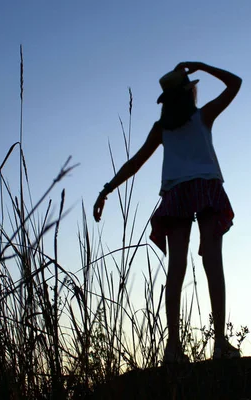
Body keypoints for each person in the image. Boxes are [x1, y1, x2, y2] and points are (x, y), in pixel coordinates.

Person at [93, 61, 242, 364]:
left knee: (176, 270)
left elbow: (135, 163)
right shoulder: (203, 117)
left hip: (176, 193)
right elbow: (235, 83)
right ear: (189, 94)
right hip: (206, 187)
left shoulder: (162, 129)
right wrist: (201, 65)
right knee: (213, 263)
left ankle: (173, 348)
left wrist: (107, 189)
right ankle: (219, 345)